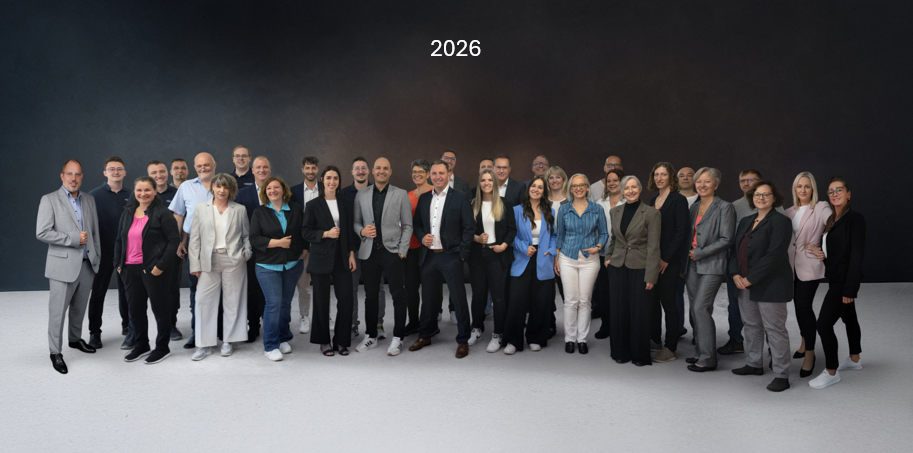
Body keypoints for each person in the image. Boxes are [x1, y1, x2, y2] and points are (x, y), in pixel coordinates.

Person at [728, 181, 794, 391]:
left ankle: (782, 375)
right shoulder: (746, 221)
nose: (761, 198)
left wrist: (751, 278)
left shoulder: (781, 221)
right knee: (751, 325)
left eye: (766, 194)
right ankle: (754, 363)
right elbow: (735, 251)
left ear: (775, 198)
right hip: (743, 283)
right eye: (757, 194)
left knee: (775, 329)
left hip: (771, 284)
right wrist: (735, 274)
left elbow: (774, 255)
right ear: (752, 198)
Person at [37, 159, 101, 374]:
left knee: (79, 309)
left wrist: (97, 257)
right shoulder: (49, 200)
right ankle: (55, 352)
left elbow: (94, 231)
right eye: (70, 174)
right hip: (62, 266)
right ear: (62, 176)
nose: (74, 178)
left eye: (78, 174)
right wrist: (73, 238)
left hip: (87, 265)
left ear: (82, 176)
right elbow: (42, 232)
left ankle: (75, 339)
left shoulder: (89, 199)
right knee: (57, 313)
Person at [408, 160, 475, 358]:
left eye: (441, 173)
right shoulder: (424, 198)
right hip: (429, 256)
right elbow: (417, 225)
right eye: (434, 173)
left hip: (451, 256)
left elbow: (469, 227)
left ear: (448, 175)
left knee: (458, 298)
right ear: (430, 175)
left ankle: (463, 340)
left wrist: (462, 254)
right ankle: (425, 335)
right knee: (428, 299)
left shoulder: (460, 197)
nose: (437, 176)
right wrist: (422, 237)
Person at [113, 176, 181, 364]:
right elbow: (119, 239)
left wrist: (160, 266)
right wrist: (118, 264)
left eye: (147, 190)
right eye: (139, 190)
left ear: (155, 191)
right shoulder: (128, 212)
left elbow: (174, 241)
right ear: (134, 192)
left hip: (153, 269)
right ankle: (141, 345)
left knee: (160, 310)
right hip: (129, 269)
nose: (143, 194)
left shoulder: (163, 213)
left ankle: (162, 348)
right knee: (135, 310)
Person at [808, 177, 865, 389]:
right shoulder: (833, 219)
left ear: (848, 194)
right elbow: (837, 252)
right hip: (835, 277)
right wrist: (821, 254)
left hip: (844, 281)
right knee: (850, 318)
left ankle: (831, 372)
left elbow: (856, 256)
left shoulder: (855, 219)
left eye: (839, 190)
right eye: (831, 191)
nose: (835, 194)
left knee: (823, 324)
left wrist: (850, 289)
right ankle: (855, 359)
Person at [353, 158, 413, 356]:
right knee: (370, 296)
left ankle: (398, 337)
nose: (381, 171)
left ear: (390, 171)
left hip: (392, 252)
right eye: (378, 168)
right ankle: (370, 335)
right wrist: (362, 231)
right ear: (373, 171)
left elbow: (408, 225)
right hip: (369, 253)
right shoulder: (362, 194)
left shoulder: (400, 194)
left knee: (398, 295)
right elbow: (355, 222)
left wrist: (402, 251)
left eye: (385, 168)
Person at [188, 174, 252, 360]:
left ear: (231, 189)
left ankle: (228, 341)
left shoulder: (239, 209)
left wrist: (246, 253)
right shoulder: (201, 208)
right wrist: (195, 264)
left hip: (234, 260)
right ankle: (204, 345)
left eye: (226, 187)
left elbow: (246, 235)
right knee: (203, 301)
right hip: (209, 261)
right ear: (213, 188)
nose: (222, 190)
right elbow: (195, 238)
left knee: (233, 301)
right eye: (218, 186)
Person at [302, 167, 359, 356]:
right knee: (321, 301)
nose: (332, 181)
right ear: (322, 180)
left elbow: (349, 232)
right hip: (320, 258)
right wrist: (326, 234)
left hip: (342, 257)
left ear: (339, 181)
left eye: (335, 178)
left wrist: (352, 254)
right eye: (328, 178)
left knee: (346, 299)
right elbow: (306, 232)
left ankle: (341, 341)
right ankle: (324, 341)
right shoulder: (313, 205)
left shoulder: (346, 203)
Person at [685, 167, 736, 372]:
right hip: (691, 264)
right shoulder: (694, 207)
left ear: (716, 184)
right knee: (695, 309)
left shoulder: (725, 207)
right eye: (699, 181)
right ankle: (700, 351)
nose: (702, 185)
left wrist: (700, 253)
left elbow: (727, 239)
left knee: (701, 307)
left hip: (712, 264)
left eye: (707, 181)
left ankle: (708, 359)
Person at [250, 176, 306, 361]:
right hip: (267, 266)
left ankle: (283, 337)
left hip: (292, 265)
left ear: (283, 190)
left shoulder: (295, 209)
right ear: (265, 192)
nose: (272, 191)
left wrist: (305, 249)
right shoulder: (259, 212)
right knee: (273, 304)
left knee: (285, 303)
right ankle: (270, 345)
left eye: (276, 187)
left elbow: (303, 232)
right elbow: (254, 238)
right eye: (269, 188)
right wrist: (277, 243)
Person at [606, 176, 660, 366]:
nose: (630, 191)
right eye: (626, 188)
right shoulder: (615, 211)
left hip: (641, 267)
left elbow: (654, 247)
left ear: (640, 188)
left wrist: (651, 275)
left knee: (639, 311)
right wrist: (608, 257)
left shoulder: (651, 213)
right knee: (619, 310)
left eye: (633, 187)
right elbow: (614, 238)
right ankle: (620, 352)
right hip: (617, 266)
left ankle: (639, 355)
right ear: (622, 191)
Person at [784, 172, 831, 378]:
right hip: (790, 267)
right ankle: (804, 342)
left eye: (807, 186)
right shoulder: (788, 211)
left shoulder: (821, 207)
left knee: (804, 307)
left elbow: (834, 226)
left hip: (810, 265)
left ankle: (810, 353)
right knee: (798, 306)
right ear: (795, 189)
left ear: (813, 189)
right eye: (799, 186)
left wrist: (824, 250)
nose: (802, 190)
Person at [555, 173, 608, 354]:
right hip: (567, 257)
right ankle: (570, 339)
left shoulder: (596, 208)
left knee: (585, 301)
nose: (578, 188)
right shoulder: (564, 209)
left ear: (587, 187)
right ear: (570, 189)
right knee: (571, 300)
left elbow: (604, 233)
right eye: (574, 185)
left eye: (582, 185)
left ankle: (582, 339)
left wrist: (598, 247)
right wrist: (556, 258)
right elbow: (560, 235)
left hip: (589, 259)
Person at [503, 176, 556, 354]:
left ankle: (536, 337)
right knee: (516, 301)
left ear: (544, 192)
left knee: (540, 301)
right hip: (522, 257)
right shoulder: (516, 210)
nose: (536, 189)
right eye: (534, 186)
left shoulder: (550, 211)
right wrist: (523, 247)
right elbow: (510, 234)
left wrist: (551, 249)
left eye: (540, 187)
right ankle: (513, 341)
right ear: (528, 189)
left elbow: (554, 235)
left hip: (544, 259)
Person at [169, 152, 216, 349]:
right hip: (195, 245)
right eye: (199, 166)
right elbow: (179, 215)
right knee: (196, 289)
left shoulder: (224, 184)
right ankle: (197, 333)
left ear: (214, 164)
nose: (203, 168)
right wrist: (179, 241)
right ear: (195, 167)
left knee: (221, 289)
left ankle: (220, 332)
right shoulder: (186, 187)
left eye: (206, 165)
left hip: (221, 244)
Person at [467, 169, 516, 351]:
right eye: (483, 180)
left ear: (495, 183)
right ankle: (476, 328)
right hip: (477, 255)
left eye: (490, 180)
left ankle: (498, 334)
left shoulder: (506, 204)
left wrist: (503, 245)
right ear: (479, 183)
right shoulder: (472, 204)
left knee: (498, 297)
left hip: (498, 254)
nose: (486, 183)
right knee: (478, 295)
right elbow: (464, 230)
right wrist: (476, 238)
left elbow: (512, 230)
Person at [85, 157, 132, 350]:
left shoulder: (132, 195)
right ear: (105, 173)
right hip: (102, 251)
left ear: (124, 172)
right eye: (111, 169)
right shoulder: (93, 196)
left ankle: (128, 328)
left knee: (127, 292)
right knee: (98, 293)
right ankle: (94, 333)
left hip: (126, 251)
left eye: (119, 169)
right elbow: (86, 224)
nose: (116, 172)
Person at [718, 168, 763, 355]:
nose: (746, 183)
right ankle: (736, 340)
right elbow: (729, 238)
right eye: (743, 180)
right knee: (734, 306)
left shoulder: (773, 205)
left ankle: (768, 350)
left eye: (751, 179)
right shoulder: (734, 207)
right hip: (737, 264)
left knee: (762, 308)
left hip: (761, 266)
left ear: (760, 181)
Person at [647, 163, 689, 363]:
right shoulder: (653, 200)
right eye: (656, 174)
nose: (659, 178)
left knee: (669, 303)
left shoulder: (678, 200)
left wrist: (666, 259)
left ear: (670, 177)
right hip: (653, 259)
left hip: (669, 261)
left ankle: (670, 347)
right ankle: (655, 339)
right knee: (653, 302)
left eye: (663, 174)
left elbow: (681, 232)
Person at [340, 156, 383, 337]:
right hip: (351, 249)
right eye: (357, 168)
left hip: (374, 249)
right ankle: (352, 324)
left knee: (377, 288)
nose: (360, 171)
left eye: (363, 168)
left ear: (369, 171)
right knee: (351, 288)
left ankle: (378, 324)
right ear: (352, 172)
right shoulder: (343, 193)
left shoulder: (378, 191)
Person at [234, 156, 272, 343]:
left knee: (271, 290)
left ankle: (271, 326)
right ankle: (254, 326)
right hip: (251, 248)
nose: (262, 170)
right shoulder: (243, 193)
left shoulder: (276, 189)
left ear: (269, 170)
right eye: (258, 167)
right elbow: (238, 222)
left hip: (273, 248)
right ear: (253, 170)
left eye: (265, 167)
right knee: (252, 290)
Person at [148, 160, 182, 339]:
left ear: (167, 173)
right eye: (154, 173)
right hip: (147, 251)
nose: (158, 175)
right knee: (145, 290)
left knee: (171, 289)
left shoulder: (177, 193)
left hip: (171, 249)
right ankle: (135, 329)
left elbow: (183, 218)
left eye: (161, 171)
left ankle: (171, 325)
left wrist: (180, 243)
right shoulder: (143, 193)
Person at [592, 168, 626, 339]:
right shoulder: (600, 203)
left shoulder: (628, 202)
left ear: (622, 181)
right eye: (609, 180)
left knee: (621, 293)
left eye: (616, 180)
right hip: (603, 254)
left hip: (623, 255)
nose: (612, 183)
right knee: (604, 293)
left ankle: (620, 327)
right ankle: (606, 325)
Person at [290, 156, 321, 334]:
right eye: (307, 168)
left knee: (322, 285)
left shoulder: (325, 188)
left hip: (322, 244)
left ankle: (325, 315)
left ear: (318, 169)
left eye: (313, 168)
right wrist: (302, 246)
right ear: (302, 170)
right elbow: (293, 222)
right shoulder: (294, 192)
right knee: (303, 284)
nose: (310, 171)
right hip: (303, 245)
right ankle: (304, 316)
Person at [404, 159, 432, 335]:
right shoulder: (408, 196)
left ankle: (428, 322)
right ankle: (413, 321)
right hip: (411, 247)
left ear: (428, 174)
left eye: (421, 171)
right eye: (414, 171)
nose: (417, 175)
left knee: (429, 288)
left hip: (429, 248)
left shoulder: (434, 192)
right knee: (411, 288)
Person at [675, 166, 697, 337]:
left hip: (696, 255)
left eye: (690, 175)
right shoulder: (672, 199)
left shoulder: (703, 199)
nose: (685, 178)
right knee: (675, 294)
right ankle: (677, 328)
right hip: (675, 254)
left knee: (696, 297)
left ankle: (698, 331)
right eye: (681, 175)